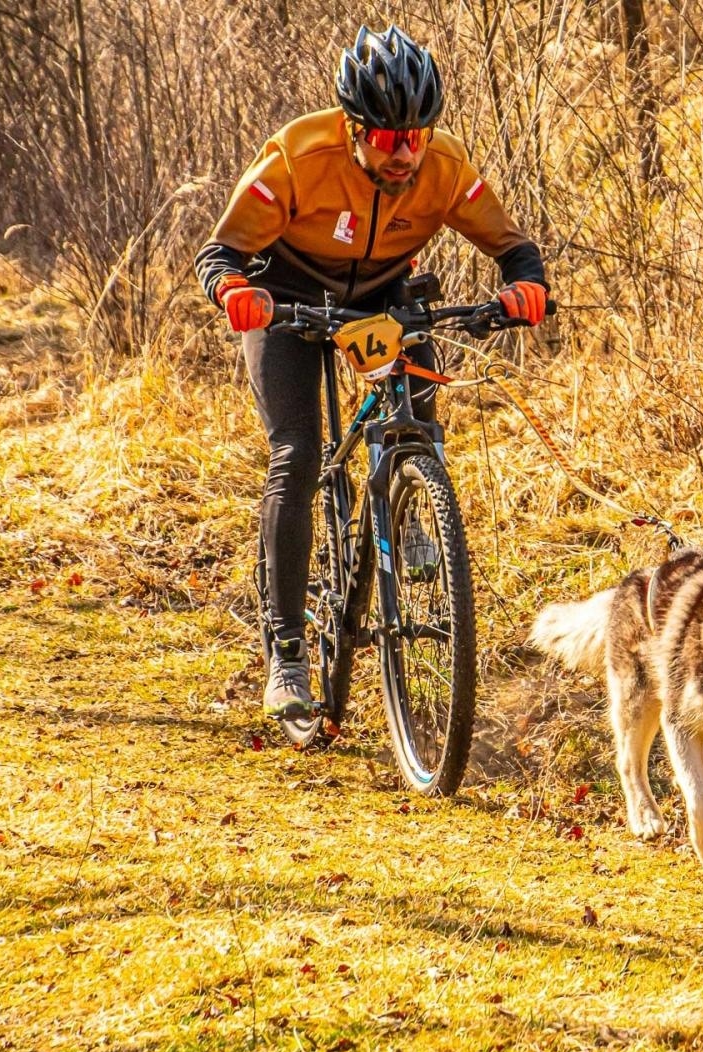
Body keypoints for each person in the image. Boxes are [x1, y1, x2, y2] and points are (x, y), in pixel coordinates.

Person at [196, 25, 549, 719]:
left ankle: (413, 502)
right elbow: (220, 253)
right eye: (388, 139)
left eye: (415, 136)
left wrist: (524, 287)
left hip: (382, 295)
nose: (404, 153)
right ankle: (287, 653)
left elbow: (514, 247)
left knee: (415, 411)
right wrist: (235, 292)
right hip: (286, 295)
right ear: (354, 128)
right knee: (297, 454)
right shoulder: (298, 157)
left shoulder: (444, 166)